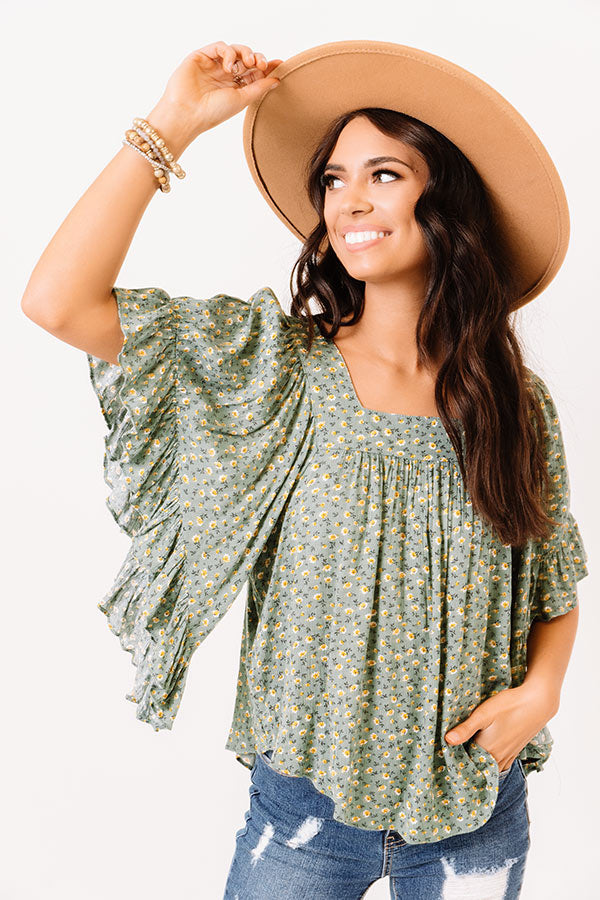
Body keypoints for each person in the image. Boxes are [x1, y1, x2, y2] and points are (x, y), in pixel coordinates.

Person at [21, 39, 588, 900]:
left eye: (384, 174)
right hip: (305, 817)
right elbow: (57, 302)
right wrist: (173, 122)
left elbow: (551, 575)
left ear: (447, 201)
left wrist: (543, 692)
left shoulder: (513, 401)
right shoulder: (277, 370)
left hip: (478, 805)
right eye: (333, 179)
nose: (348, 199)